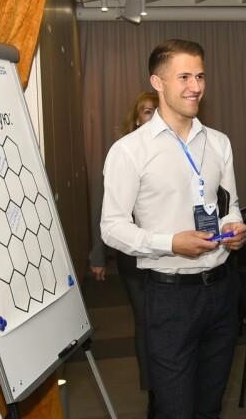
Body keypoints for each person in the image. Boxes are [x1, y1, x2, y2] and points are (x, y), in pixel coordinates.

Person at [100, 39, 246, 419]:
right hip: (171, 297)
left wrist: (234, 227)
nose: (195, 87)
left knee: (209, 408)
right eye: (184, 77)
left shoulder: (218, 143)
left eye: (200, 76)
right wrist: (171, 243)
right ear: (158, 82)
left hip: (223, 290)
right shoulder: (129, 151)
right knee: (175, 409)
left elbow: (229, 205)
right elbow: (112, 228)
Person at [89, 91, 159, 393]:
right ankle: (152, 388)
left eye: (157, 111)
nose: (153, 117)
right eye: (147, 112)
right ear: (136, 119)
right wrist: (99, 256)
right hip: (133, 255)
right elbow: (108, 211)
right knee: (145, 320)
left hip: (169, 252)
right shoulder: (124, 152)